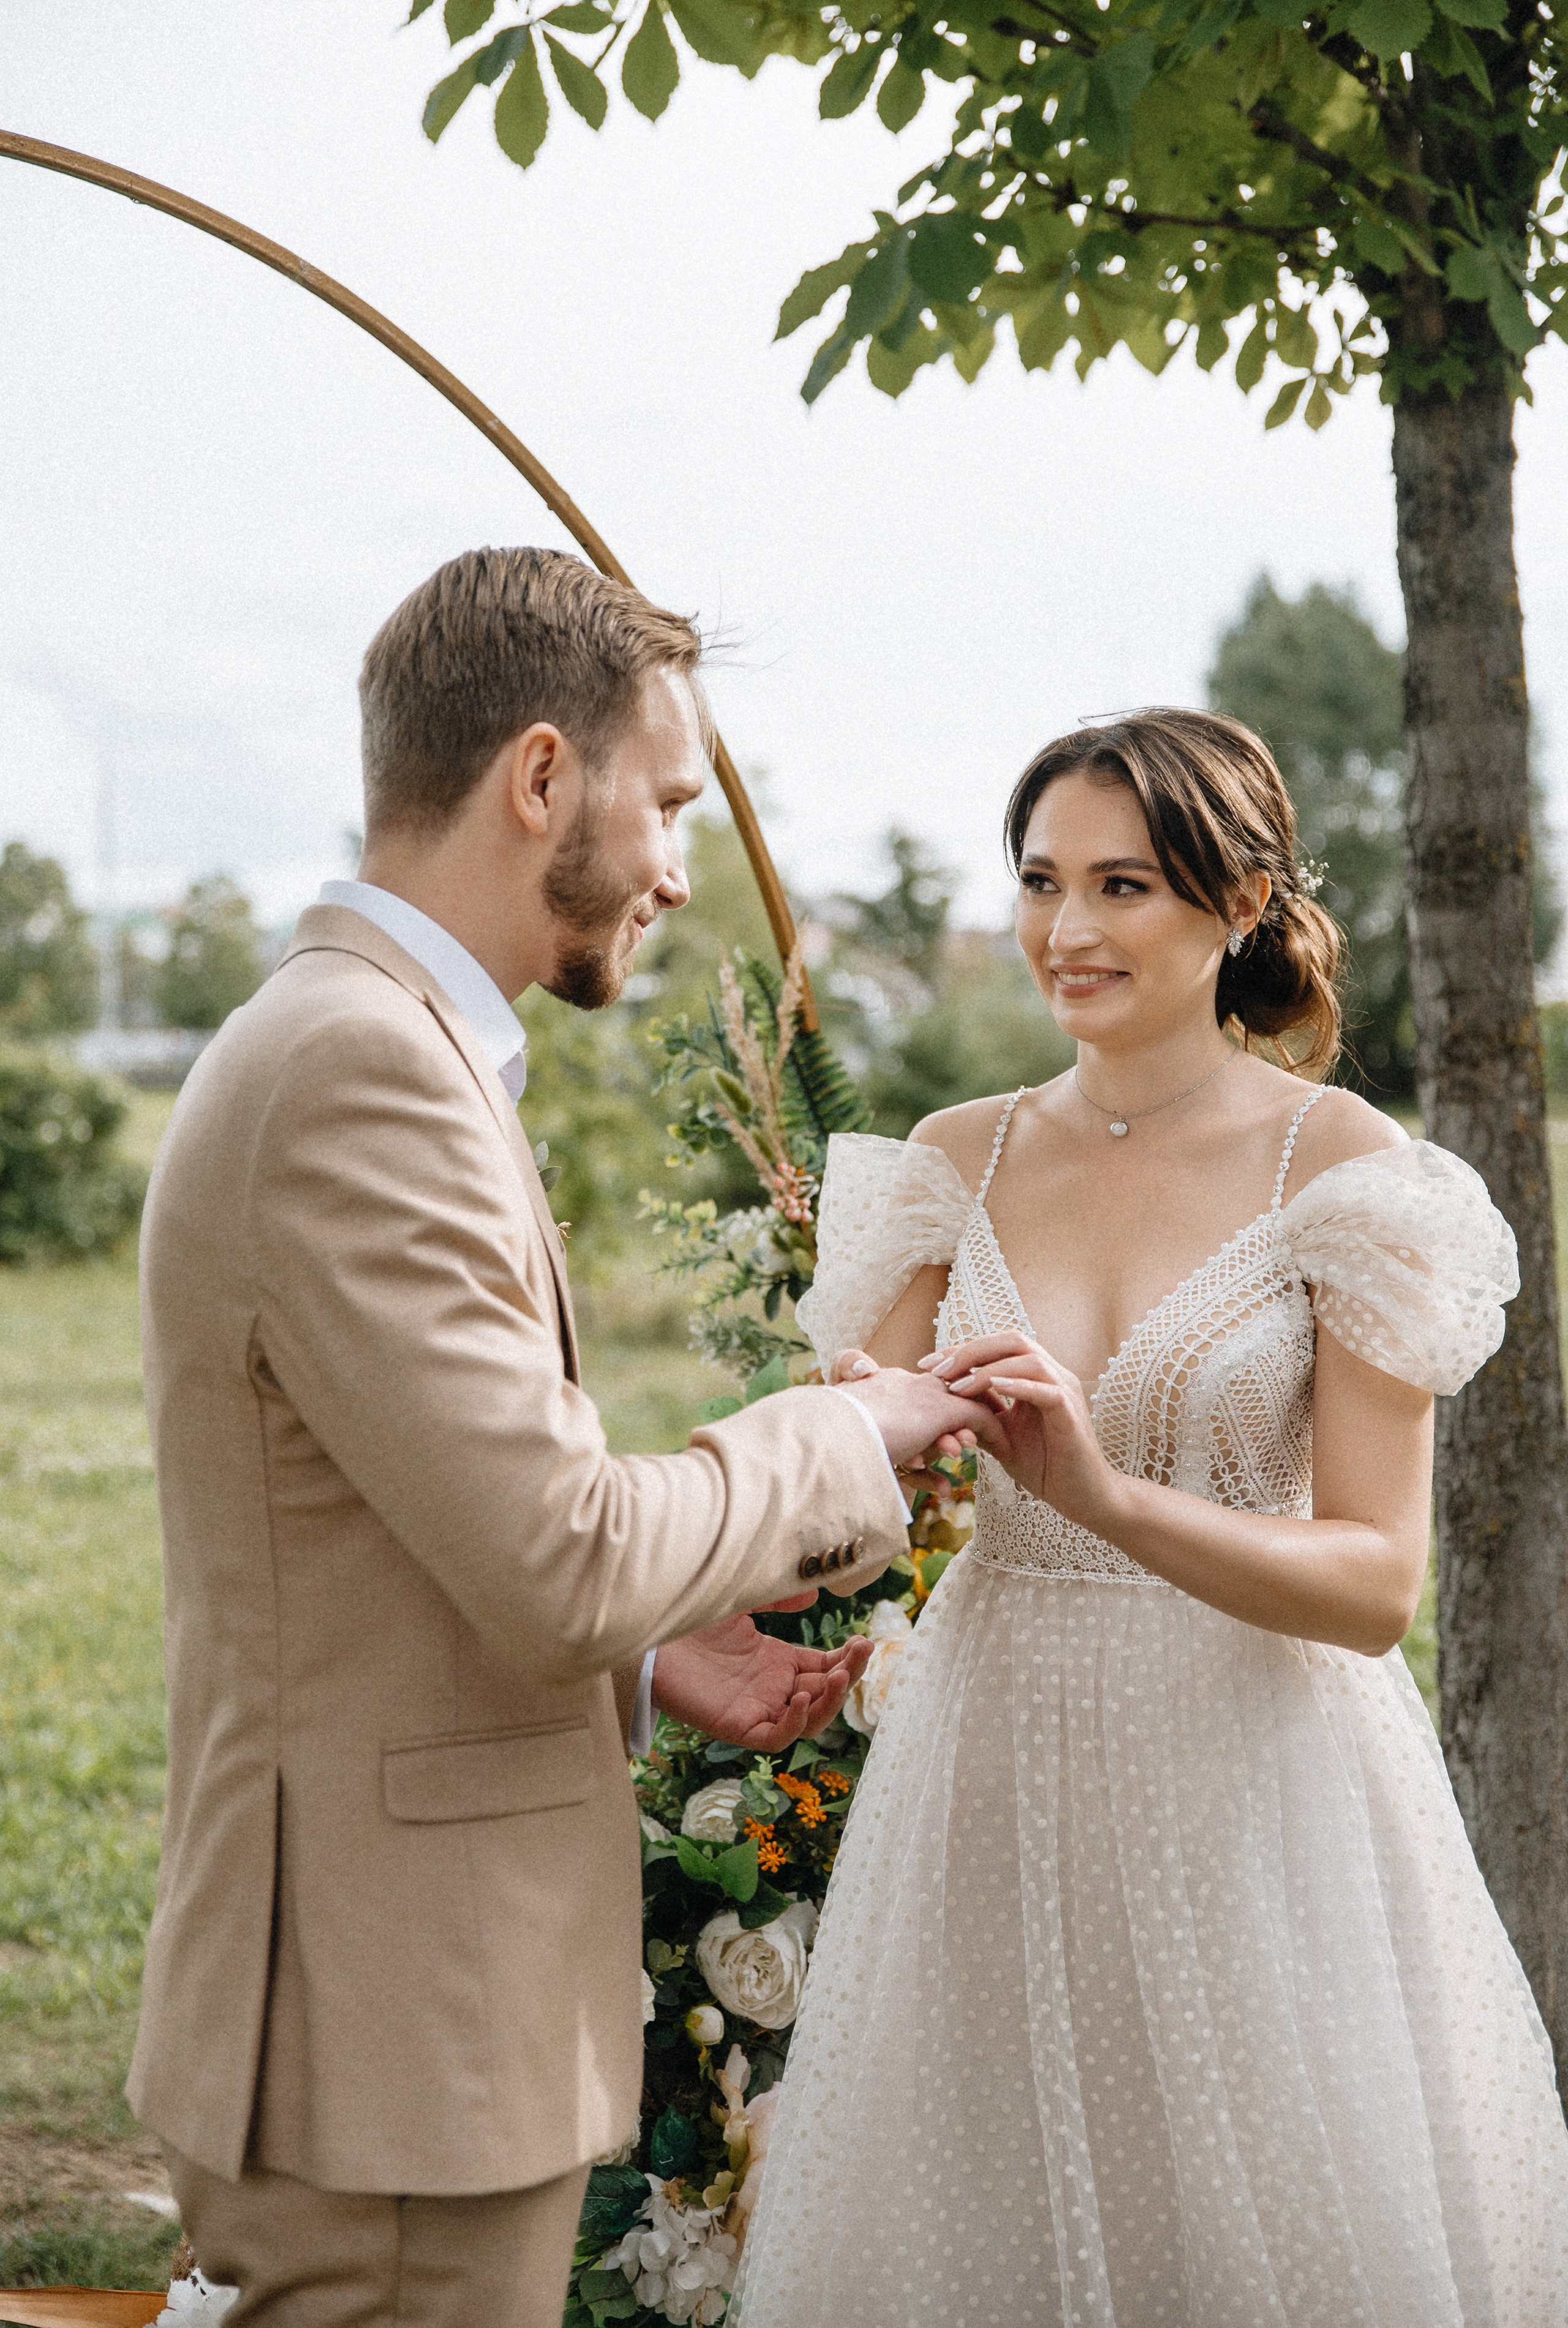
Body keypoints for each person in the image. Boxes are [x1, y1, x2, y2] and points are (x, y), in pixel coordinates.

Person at [127, 549, 993, 2327]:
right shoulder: (363, 1071)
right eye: (664, 803)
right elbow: (564, 1551)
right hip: (391, 2043)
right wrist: (851, 1430)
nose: (675, 867)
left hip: (394, 2020)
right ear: (541, 777)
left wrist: (650, 1654)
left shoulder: (371, 1040)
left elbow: (409, 1525)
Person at [735, 709, 1568, 2327]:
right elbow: (852, 1495)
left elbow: (1375, 1583)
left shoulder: (1343, 1170)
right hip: (996, 1755)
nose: (1068, 929)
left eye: (1122, 886)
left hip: (1258, 1780)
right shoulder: (949, 1162)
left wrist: (1106, 1497)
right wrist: (846, 1443)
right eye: (1042, 881)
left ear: (1240, 901)